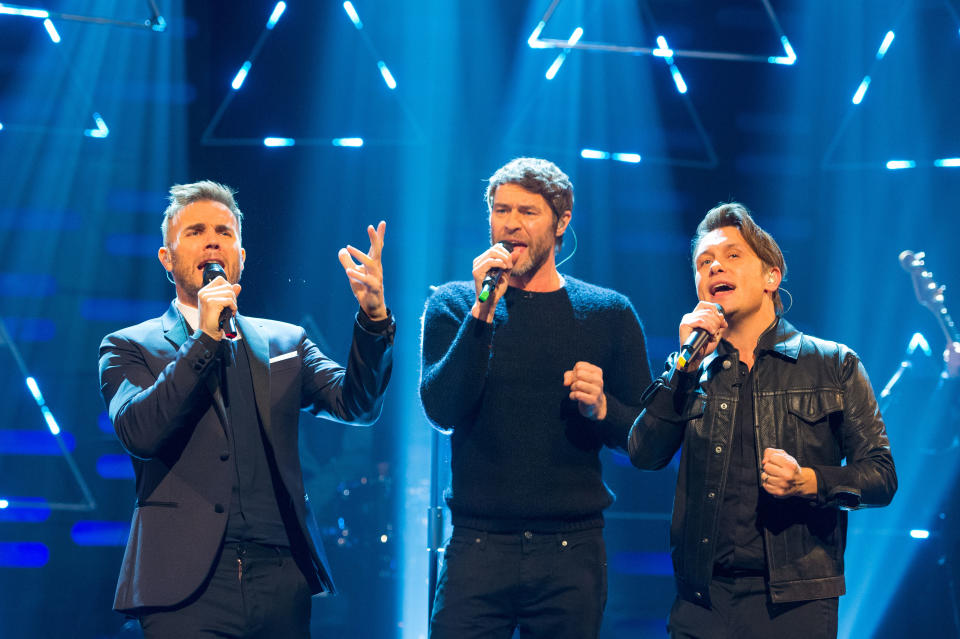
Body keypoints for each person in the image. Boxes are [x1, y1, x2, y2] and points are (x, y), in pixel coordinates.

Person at [98, 180, 395, 637]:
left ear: (240, 256)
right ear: (167, 258)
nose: (213, 239)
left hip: (280, 577)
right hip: (183, 585)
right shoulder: (128, 346)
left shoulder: (284, 341)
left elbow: (355, 404)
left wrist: (373, 320)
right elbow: (140, 431)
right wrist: (205, 340)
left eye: (225, 231)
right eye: (195, 231)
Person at [628, 202, 897, 638]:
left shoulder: (833, 364)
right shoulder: (691, 370)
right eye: (704, 262)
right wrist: (683, 368)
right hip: (703, 601)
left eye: (732, 255)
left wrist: (806, 480)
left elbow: (881, 477)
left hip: (796, 604)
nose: (715, 266)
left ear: (771, 276)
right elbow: (643, 454)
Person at [420, 157, 652, 639]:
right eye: (500, 209)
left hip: (571, 552)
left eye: (527, 212)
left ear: (561, 221)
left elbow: (647, 435)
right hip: (477, 547)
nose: (510, 224)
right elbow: (441, 409)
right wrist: (483, 311)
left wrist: (604, 407)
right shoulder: (454, 304)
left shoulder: (607, 313)